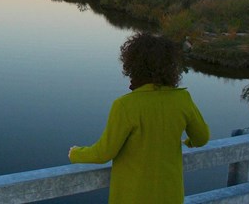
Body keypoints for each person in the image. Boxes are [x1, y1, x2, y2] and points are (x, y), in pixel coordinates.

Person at [68, 32, 209, 203]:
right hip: (170, 196)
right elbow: (202, 138)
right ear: (170, 66)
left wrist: (76, 154)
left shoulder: (125, 106)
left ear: (133, 65)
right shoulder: (182, 99)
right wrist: (188, 142)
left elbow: (104, 153)